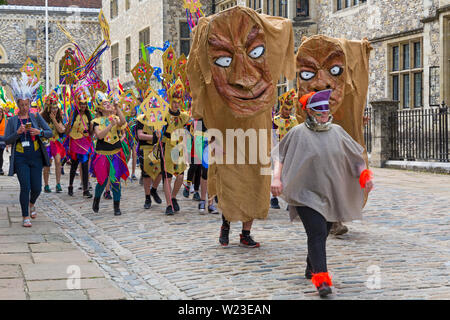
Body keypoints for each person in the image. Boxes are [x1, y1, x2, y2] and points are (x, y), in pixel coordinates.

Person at [271, 90, 374, 298]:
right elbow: (279, 156)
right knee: (317, 232)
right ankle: (322, 280)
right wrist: (276, 178)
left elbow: (355, 157)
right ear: (309, 112)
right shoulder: (298, 132)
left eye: (326, 110)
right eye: (319, 111)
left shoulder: (337, 131)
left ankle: (311, 265)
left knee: (323, 232)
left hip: (329, 192)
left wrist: (365, 176)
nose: (324, 114)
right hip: (304, 192)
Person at [3, 73, 52, 227]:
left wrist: (40, 132)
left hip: (36, 156)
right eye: (21, 104)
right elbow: (6, 140)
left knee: (37, 188)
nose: (24, 107)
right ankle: (25, 215)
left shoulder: (36, 117)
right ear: (18, 104)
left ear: (30, 103)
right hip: (21, 158)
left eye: (27, 104)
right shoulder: (12, 120)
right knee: (25, 186)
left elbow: (49, 132)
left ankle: (32, 203)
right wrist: (17, 133)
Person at [90, 91, 129, 216]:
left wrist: (117, 107)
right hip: (102, 154)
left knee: (115, 180)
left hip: (116, 153)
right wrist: (110, 126)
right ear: (100, 108)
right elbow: (99, 136)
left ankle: (116, 207)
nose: (107, 105)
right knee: (102, 181)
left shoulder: (115, 118)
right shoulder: (96, 121)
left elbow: (123, 122)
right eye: (104, 103)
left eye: (108, 103)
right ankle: (96, 200)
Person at [159, 79, 190, 215]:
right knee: (168, 177)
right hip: (167, 147)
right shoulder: (164, 114)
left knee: (180, 177)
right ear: (170, 101)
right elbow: (157, 126)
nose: (176, 104)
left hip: (179, 148)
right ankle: (168, 205)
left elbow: (194, 117)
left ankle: (173, 197)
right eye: (174, 102)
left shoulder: (183, 116)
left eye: (179, 102)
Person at [271, 89, 298, 209]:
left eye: (289, 109)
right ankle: (274, 198)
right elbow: (271, 134)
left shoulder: (293, 121)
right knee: (274, 173)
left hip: (288, 150)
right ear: (281, 108)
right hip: (276, 149)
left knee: (288, 173)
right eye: (285, 109)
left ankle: (288, 200)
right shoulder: (275, 120)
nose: (287, 111)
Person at [65, 88, 93, 198]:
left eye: (85, 104)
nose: (83, 106)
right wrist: (70, 121)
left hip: (85, 142)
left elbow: (91, 133)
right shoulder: (74, 115)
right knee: (74, 165)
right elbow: (67, 131)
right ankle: (70, 185)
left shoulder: (88, 116)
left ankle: (85, 189)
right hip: (75, 142)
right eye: (81, 104)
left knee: (85, 165)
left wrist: (91, 128)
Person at [136, 110, 163, 209]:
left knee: (160, 172)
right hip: (145, 149)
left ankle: (154, 190)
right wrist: (153, 137)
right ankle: (147, 197)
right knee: (146, 175)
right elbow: (140, 135)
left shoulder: (159, 118)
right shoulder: (141, 119)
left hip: (156, 149)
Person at [41, 91, 66, 193]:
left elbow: (61, 130)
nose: (54, 110)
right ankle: (46, 185)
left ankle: (58, 184)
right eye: (52, 108)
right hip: (46, 142)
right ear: (48, 108)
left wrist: (54, 119)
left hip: (55, 142)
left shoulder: (59, 117)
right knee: (47, 164)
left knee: (58, 161)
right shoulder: (43, 117)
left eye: (56, 108)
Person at [0, 107, 7, 175]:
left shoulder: (5, 120)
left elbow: (7, 130)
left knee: (1, 154)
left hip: (2, 140)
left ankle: (0, 168)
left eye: (1, 112)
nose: (0, 113)